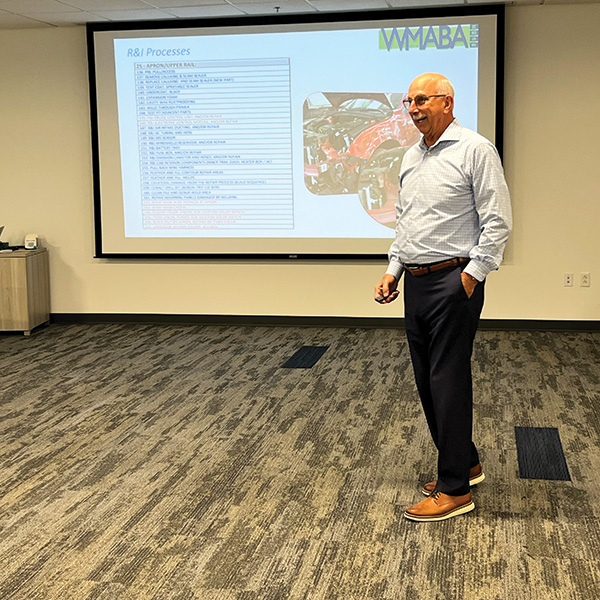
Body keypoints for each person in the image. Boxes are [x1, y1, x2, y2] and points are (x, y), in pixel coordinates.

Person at [374, 73, 512, 522]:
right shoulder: (411, 155)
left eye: (421, 100)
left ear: (447, 103)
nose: (413, 109)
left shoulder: (475, 150)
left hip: (454, 281)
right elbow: (406, 222)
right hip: (415, 283)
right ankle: (465, 462)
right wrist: (393, 270)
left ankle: (455, 490)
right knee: (428, 382)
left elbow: (498, 221)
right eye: (408, 102)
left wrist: (471, 277)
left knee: (448, 382)